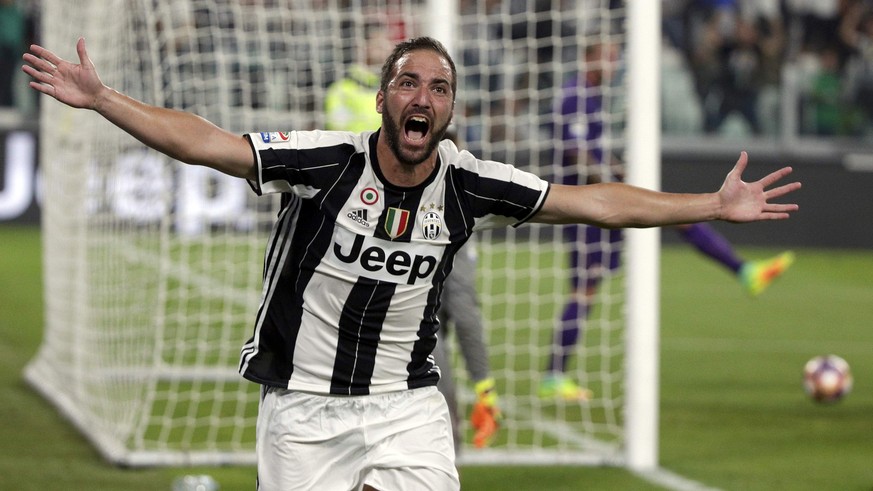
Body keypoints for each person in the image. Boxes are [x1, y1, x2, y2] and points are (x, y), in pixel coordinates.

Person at [23, 36, 800, 491]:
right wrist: (106, 100)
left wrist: (708, 204)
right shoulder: (326, 161)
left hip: (407, 406)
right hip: (303, 408)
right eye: (407, 82)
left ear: (449, 109)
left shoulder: (467, 179)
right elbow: (207, 142)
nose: (422, 96)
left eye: (438, 87)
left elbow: (594, 200)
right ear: (384, 101)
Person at [540, 40, 796, 401]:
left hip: (601, 201)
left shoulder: (593, 96)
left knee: (679, 216)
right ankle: (552, 377)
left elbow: (591, 154)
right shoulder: (576, 95)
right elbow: (576, 154)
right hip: (586, 208)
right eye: (607, 56)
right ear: (588, 57)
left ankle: (744, 271)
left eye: (615, 56)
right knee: (585, 289)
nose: (613, 64)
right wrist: (614, 179)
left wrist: (615, 172)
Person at [324, 22, 501, 451]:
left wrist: (484, 386)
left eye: (439, 90)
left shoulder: (453, 213)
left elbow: (466, 312)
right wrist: (486, 387)